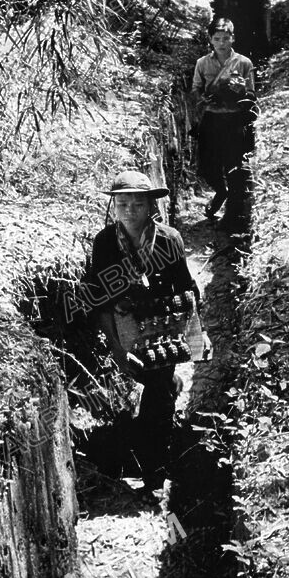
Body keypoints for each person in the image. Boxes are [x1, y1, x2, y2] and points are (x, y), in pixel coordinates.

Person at [83, 170, 211, 492]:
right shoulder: (104, 244)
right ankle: (167, 394)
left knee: (156, 394)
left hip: (162, 325)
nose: (129, 210)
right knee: (156, 384)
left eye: (136, 203)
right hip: (125, 328)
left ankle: (154, 467)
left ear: (150, 206)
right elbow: (99, 302)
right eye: (122, 203)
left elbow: (187, 291)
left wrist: (197, 334)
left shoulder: (169, 240)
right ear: (113, 206)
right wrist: (115, 348)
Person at [190, 17, 258, 231]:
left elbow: (252, 93)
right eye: (217, 38)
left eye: (226, 38)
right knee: (208, 167)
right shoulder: (202, 63)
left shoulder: (244, 63)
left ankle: (232, 217)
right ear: (210, 40)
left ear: (233, 38)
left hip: (234, 121)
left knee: (235, 167)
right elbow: (195, 90)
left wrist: (239, 92)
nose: (221, 43)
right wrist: (203, 99)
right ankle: (221, 191)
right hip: (211, 119)